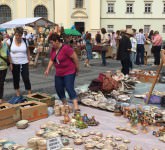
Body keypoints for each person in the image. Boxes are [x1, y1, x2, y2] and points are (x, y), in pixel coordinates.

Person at [44, 33, 80, 112]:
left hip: (69, 71)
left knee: (69, 87)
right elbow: (51, 59)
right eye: (50, 43)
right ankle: (65, 104)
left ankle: (76, 106)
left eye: (52, 42)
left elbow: (75, 58)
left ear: (57, 41)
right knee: (58, 88)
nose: (51, 44)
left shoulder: (66, 48)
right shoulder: (53, 49)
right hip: (59, 73)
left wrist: (77, 69)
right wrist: (48, 69)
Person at [6, 27, 32, 97]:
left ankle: (29, 92)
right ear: (14, 34)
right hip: (14, 63)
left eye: (20, 35)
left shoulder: (25, 41)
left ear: (22, 35)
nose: (18, 37)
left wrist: (29, 59)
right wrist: (10, 63)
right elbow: (6, 50)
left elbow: (28, 51)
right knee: (16, 78)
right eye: (16, 35)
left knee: (26, 78)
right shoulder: (10, 40)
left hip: (24, 62)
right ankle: (18, 93)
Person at [0, 35, 11, 104]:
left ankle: (0, 98)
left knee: (1, 83)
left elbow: (8, 55)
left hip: (3, 68)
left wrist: (10, 65)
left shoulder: (5, 45)